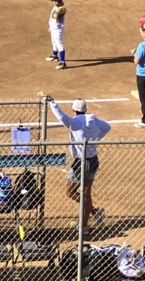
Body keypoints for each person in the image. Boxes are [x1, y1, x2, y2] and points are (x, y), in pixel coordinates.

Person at [39, 93, 110, 229]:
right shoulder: (93, 120)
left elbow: (61, 116)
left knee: (70, 192)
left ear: (74, 110)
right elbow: (107, 127)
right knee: (86, 192)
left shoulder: (75, 122)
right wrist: (94, 140)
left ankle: (93, 211)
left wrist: (51, 102)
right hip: (93, 160)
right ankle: (85, 225)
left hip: (80, 162)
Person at [47, 0, 68, 69]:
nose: (54, 2)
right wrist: (50, 26)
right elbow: (52, 19)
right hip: (53, 28)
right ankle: (55, 55)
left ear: (59, 1)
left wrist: (57, 17)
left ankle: (62, 62)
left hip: (58, 29)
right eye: (53, 0)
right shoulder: (55, 7)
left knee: (59, 44)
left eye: (55, 1)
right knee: (54, 42)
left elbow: (61, 21)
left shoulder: (61, 10)